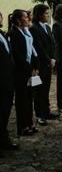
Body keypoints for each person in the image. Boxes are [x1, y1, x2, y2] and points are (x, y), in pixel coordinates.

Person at [8, 9, 39, 136]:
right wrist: (30, 69)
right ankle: (22, 126)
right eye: (25, 17)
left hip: (31, 71)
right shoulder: (13, 34)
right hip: (21, 72)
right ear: (18, 20)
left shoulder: (26, 32)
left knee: (29, 98)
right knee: (22, 100)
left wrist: (36, 68)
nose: (28, 19)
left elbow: (32, 51)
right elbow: (18, 56)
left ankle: (29, 123)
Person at [29, 4, 60, 126]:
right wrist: (48, 60)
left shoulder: (47, 27)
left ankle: (46, 111)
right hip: (39, 65)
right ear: (39, 14)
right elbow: (38, 47)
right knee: (38, 90)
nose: (48, 15)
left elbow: (52, 44)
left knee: (46, 89)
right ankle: (39, 115)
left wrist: (53, 58)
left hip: (48, 63)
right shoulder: (34, 28)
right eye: (46, 13)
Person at [0, 12, 19, 150]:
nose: (1, 18)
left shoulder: (3, 34)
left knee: (4, 112)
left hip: (8, 80)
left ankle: (3, 140)